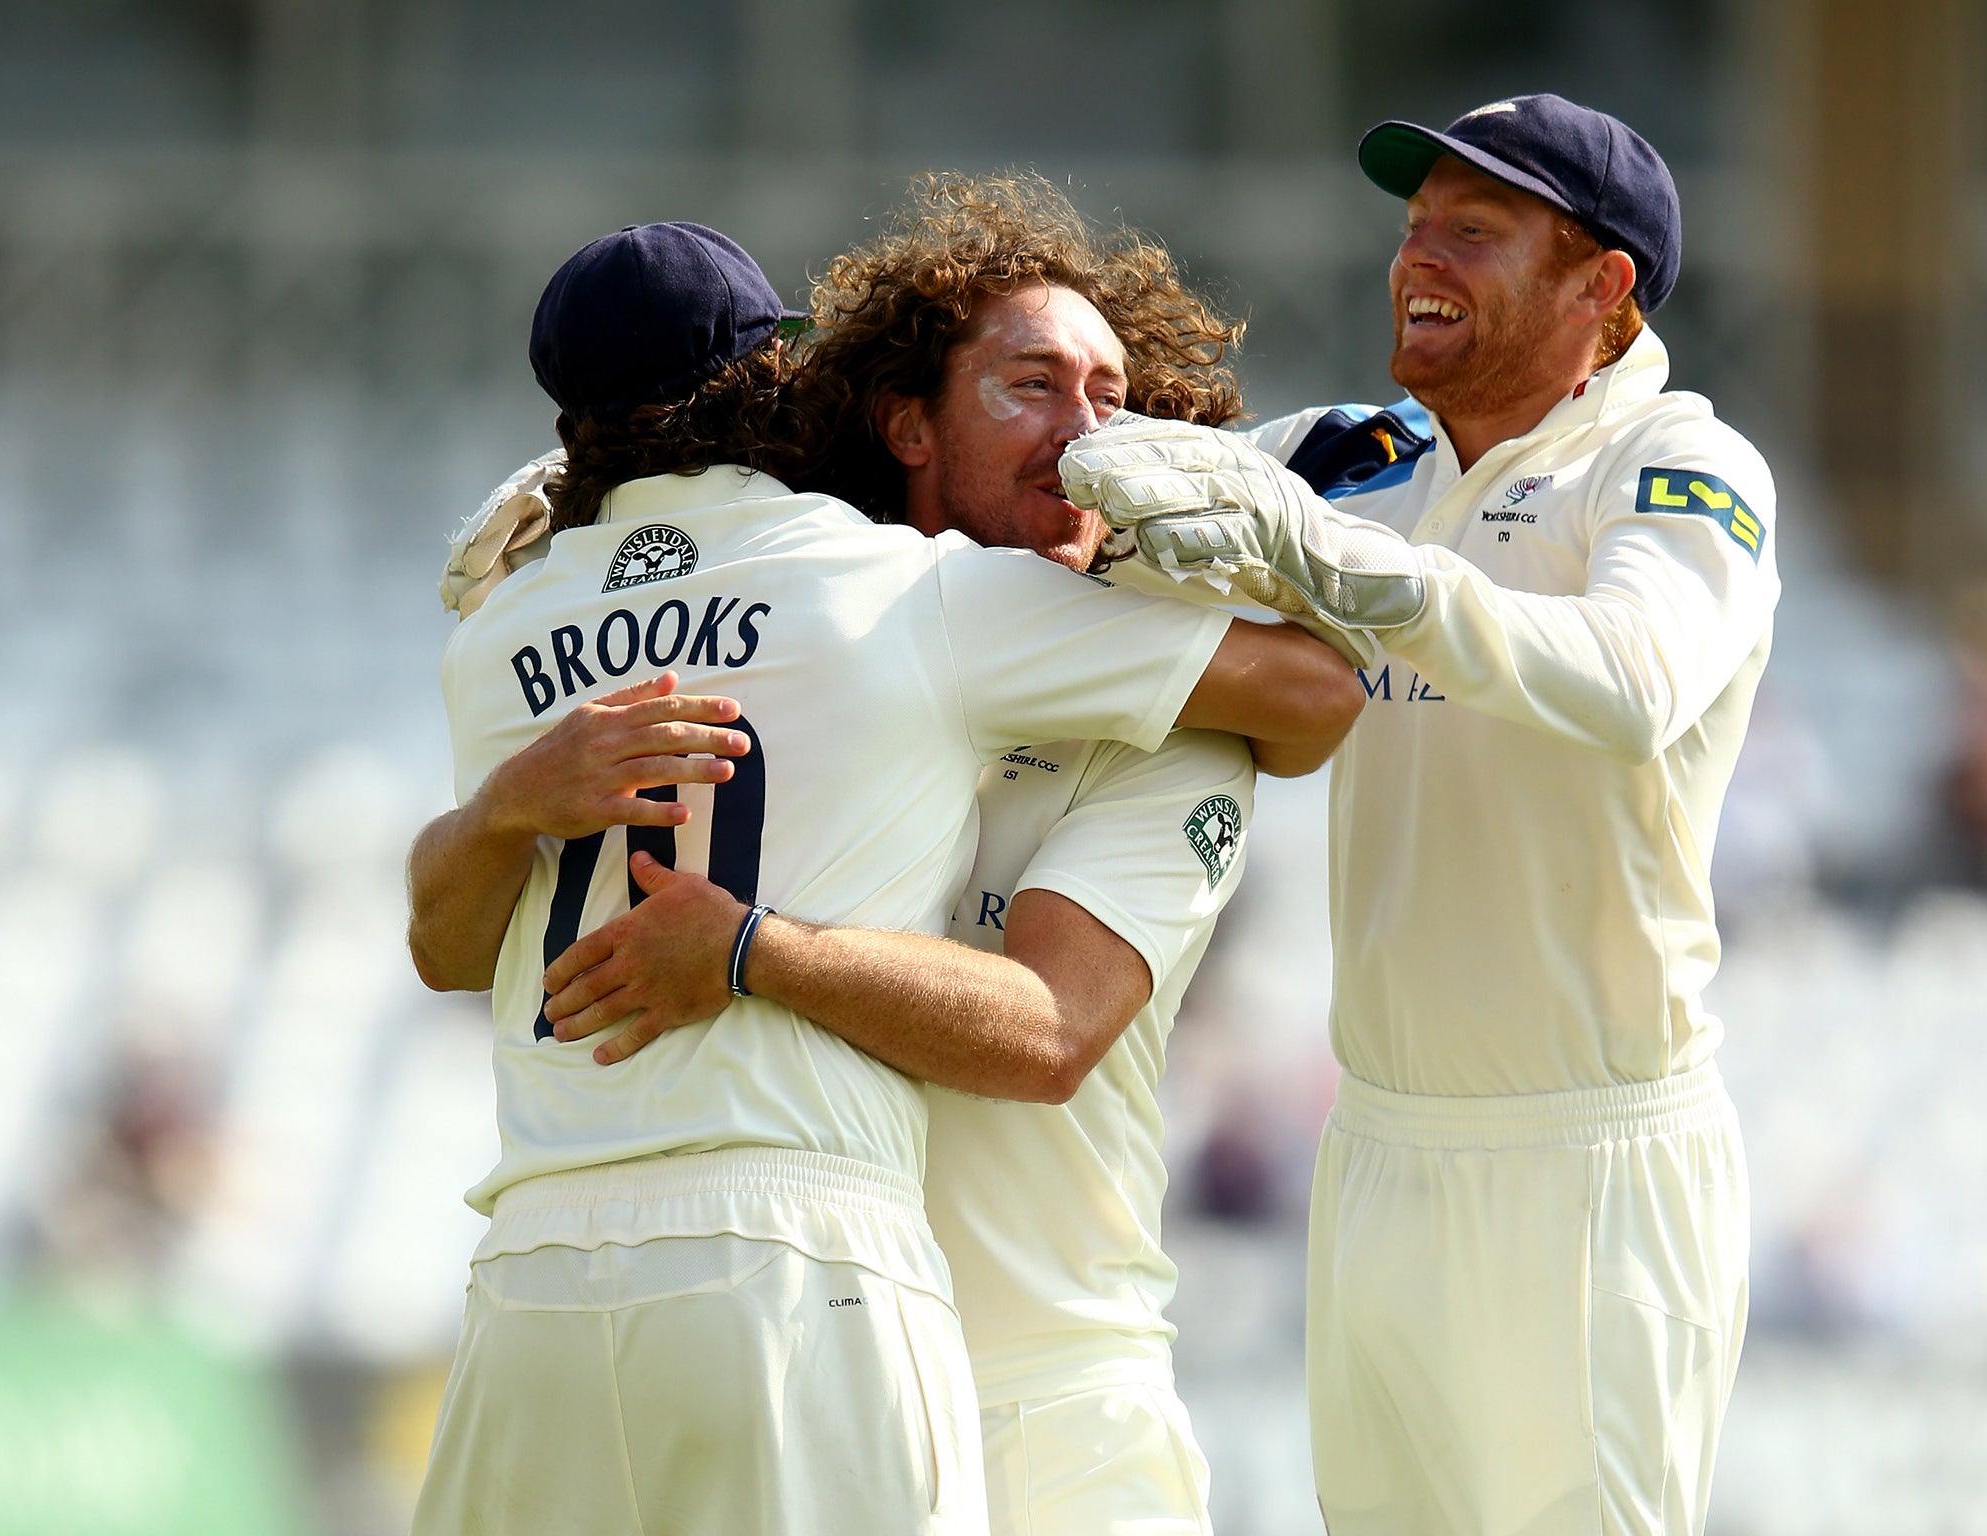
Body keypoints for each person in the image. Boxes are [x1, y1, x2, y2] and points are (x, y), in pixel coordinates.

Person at [407, 215, 1357, 1536]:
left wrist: (750, 947)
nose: (1088, 436)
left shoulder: (509, 623)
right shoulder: (909, 596)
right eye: (1031, 386)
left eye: (1113, 402)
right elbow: (1318, 682)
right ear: (889, 417)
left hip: (1043, 1396)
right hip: (818, 1285)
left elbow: (1049, 1029)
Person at [1064, 94, 1777, 1534]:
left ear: (1604, 288)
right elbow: (1077, 518)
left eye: (1474, 230)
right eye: (1412, 228)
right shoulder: (1352, 461)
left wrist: (1351, 573)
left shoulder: (1675, 468)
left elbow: (1635, 678)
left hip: (1590, 1163)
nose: (1418, 259)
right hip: (1381, 1147)